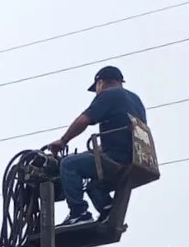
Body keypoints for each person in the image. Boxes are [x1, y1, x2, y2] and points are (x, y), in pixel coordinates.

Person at [47, 65, 146, 227]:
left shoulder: (109, 95)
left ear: (100, 83)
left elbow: (84, 119)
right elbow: (123, 133)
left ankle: (78, 213)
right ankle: (107, 210)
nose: (97, 91)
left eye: (97, 88)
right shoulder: (135, 100)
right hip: (135, 158)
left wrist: (63, 141)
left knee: (68, 164)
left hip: (117, 157)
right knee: (93, 184)